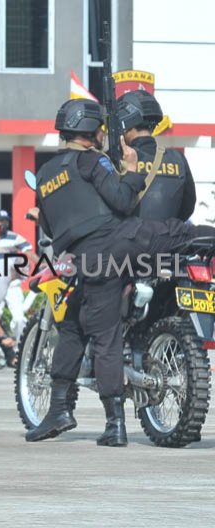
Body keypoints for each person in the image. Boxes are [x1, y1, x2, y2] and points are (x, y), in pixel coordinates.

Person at [25, 98, 215, 446]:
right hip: (124, 242)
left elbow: (52, 230)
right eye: (100, 129)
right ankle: (99, 421)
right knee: (186, 233)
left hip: (90, 260)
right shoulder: (93, 160)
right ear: (91, 132)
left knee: (83, 328)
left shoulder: (45, 175)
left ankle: (87, 417)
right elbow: (124, 202)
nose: (103, 133)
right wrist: (132, 169)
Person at [117, 90, 196, 222]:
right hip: (168, 239)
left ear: (126, 124)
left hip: (128, 239)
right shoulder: (178, 158)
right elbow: (188, 206)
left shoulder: (117, 158)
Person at [0, 210, 39, 363]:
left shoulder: (14, 237)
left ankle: (21, 350)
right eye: (1, 222)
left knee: (19, 319)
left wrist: (42, 265)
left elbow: (29, 252)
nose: (4, 225)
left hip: (11, 285)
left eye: (6, 222)